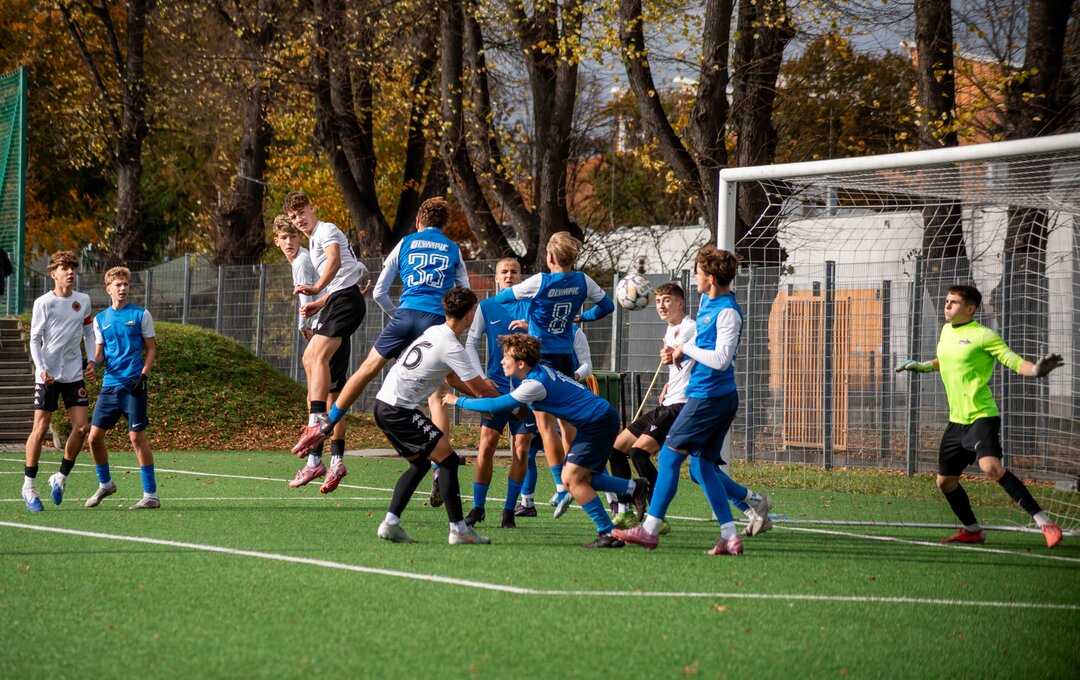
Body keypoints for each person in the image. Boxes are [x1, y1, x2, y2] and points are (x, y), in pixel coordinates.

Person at [614, 246, 772, 556]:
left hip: (709, 397)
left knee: (669, 458)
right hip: (708, 396)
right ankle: (731, 533)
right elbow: (702, 342)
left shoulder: (728, 312)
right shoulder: (707, 302)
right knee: (701, 467)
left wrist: (685, 348)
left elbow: (721, 359)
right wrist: (679, 355)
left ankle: (650, 530)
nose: (696, 277)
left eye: (699, 273)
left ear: (710, 278)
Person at [291, 198, 469, 471]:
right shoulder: (453, 248)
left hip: (403, 317)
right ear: (444, 224)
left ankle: (326, 423)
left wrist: (397, 314)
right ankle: (440, 466)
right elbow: (464, 292)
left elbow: (379, 292)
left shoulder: (405, 242)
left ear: (418, 221)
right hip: (435, 323)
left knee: (366, 369)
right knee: (439, 394)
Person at [896, 284, 1063, 548]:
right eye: (946, 300)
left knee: (991, 467)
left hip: (981, 416)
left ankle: (1045, 523)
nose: (947, 305)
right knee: (945, 482)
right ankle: (972, 530)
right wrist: (922, 366)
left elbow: (1013, 361)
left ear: (970, 309)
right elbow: (945, 360)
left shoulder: (984, 336)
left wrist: (1035, 371)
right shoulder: (946, 330)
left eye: (953, 302)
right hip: (956, 422)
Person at [445, 334, 649, 548]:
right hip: (599, 419)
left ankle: (608, 531)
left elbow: (494, 406)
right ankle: (633, 487)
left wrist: (457, 400)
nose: (502, 361)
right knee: (583, 479)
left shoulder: (533, 384)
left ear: (521, 363)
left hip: (597, 423)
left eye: (506, 357)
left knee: (572, 479)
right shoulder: (537, 373)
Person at [492, 231, 615, 514]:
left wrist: (530, 314)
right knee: (568, 425)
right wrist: (581, 316)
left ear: (549, 258)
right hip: (564, 358)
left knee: (545, 425)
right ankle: (587, 483)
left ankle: (562, 486)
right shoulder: (583, 280)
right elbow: (607, 306)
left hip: (541, 356)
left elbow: (503, 298)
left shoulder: (540, 281)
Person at [370, 286, 499, 545]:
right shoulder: (452, 346)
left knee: (420, 464)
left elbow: (453, 379)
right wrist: (513, 405)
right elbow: (480, 389)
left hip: (383, 404)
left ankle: (391, 524)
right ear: (469, 314)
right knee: (448, 461)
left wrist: (485, 397)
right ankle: (459, 530)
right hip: (398, 410)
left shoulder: (434, 331)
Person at [282, 193, 369, 493]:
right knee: (320, 371)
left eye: (301, 212)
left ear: (312, 208)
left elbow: (334, 262)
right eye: (293, 217)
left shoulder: (326, 230)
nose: (299, 219)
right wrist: (319, 303)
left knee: (315, 361)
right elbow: (342, 275)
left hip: (344, 301)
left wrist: (316, 288)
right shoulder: (315, 238)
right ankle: (324, 455)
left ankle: (317, 428)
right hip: (337, 301)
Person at [462, 257, 535, 529]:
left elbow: (545, 340)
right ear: (496, 277)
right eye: (504, 272)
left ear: (521, 277)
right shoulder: (486, 306)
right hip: (496, 391)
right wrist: (481, 378)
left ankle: (508, 511)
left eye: (514, 272)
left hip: (527, 390)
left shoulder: (532, 304)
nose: (509, 276)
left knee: (522, 450)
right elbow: (471, 343)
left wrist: (531, 329)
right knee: (486, 446)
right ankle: (478, 507)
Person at [21, 250, 95, 512]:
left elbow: (89, 332)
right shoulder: (43, 303)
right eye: (65, 268)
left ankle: (60, 477)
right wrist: (41, 370)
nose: (70, 272)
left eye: (73, 267)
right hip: (48, 376)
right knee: (40, 429)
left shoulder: (83, 300)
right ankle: (28, 487)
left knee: (82, 427)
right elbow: (34, 339)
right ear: (53, 274)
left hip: (74, 374)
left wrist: (91, 360)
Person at [84, 267, 160, 510]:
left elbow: (151, 349)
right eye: (118, 284)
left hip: (133, 386)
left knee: (136, 437)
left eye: (126, 284)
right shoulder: (100, 319)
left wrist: (143, 374)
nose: (123, 288)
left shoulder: (141, 314)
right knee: (94, 438)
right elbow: (100, 354)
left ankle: (151, 495)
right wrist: (92, 364)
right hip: (109, 386)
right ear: (108, 289)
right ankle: (106, 484)